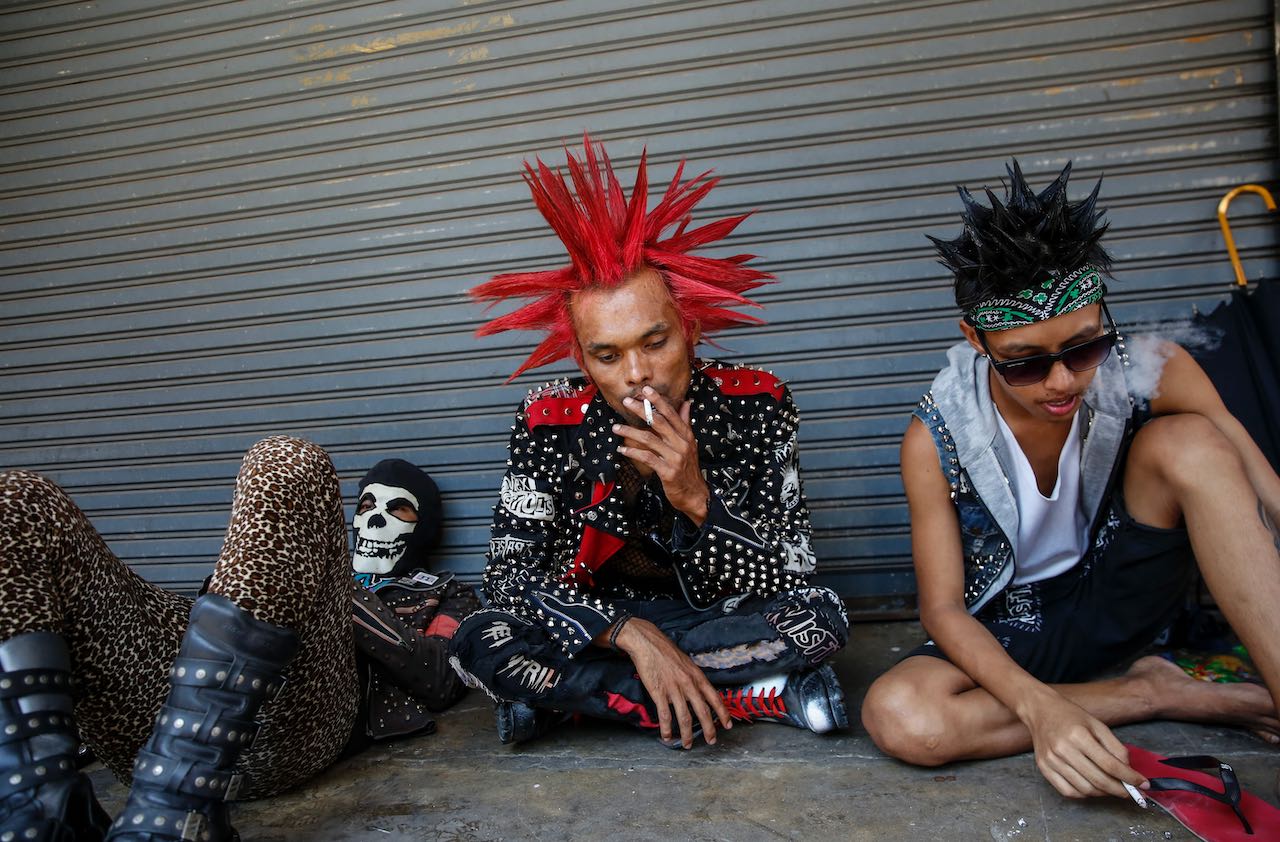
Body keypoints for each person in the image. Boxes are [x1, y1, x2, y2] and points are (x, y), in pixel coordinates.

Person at [860, 161, 1280, 801]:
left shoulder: (1148, 367)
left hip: (1128, 596)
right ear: (976, 339)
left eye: (1083, 349)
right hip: (1018, 624)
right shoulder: (936, 436)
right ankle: (1151, 693)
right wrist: (1038, 710)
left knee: (1192, 440)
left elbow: (1260, 489)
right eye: (1025, 364)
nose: (1061, 383)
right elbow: (943, 608)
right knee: (901, 715)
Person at [449, 135, 850, 751]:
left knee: (820, 620)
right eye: (607, 355)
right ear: (583, 358)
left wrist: (696, 499)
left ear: (688, 330)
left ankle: (575, 703)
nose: (635, 373)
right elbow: (510, 582)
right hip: (595, 626)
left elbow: (790, 573)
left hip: (714, 619)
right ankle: (747, 697)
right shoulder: (547, 418)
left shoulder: (759, 402)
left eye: (654, 343)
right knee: (481, 637)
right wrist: (628, 632)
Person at [0, 443, 473, 841]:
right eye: (366, 506)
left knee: (287, 460)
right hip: (154, 725)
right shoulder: (299, 560)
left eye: (398, 510)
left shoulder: (447, 591)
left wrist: (334, 586)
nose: (373, 522)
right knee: (19, 500)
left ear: (424, 527)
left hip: (293, 726)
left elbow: (437, 676)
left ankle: (181, 807)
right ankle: (38, 804)